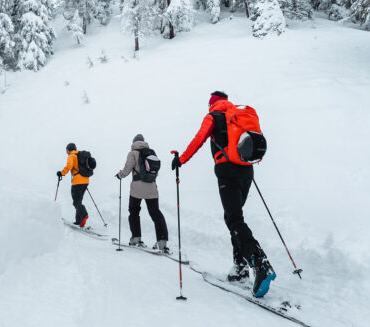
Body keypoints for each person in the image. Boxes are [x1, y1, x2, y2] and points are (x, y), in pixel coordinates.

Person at [172, 91, 275, 297]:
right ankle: (240, 267)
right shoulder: (238, 116)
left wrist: (181, 159)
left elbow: (199, 139)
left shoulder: (213, 116)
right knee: (235, 218)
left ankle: (259, 262)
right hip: (247, 170)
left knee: (234, 219)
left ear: (212, 103)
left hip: (227, 171)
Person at [115, 134, 169, 251]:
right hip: (152, 187)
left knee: (134, 212)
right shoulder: (151, 153)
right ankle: (162, 243)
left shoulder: (132, 153)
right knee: (156, 213)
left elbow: (127, 169)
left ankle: (136, 238)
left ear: (134, 142)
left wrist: (120, 175)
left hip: (137, 189)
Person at [58, 142, 89, 227]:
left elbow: (69, 166)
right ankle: (78, 221)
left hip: (77, 181)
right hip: (85, 181)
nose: (66, 152)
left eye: (66, 150)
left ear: (68, 150)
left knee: (76, 202)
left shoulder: (71, 156)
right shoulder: (80, 156)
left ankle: (84, 214)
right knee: (79, 201)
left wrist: (61, 173)